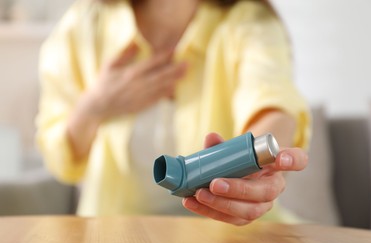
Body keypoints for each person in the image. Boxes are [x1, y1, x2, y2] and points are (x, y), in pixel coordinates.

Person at [35, 0, 310, 226]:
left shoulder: (250, 22)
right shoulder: (82, 27)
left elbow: (273, 102)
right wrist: (94, 107)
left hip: (235, 241)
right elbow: (61, 162)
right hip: (113, 237)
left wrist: (256, 168)